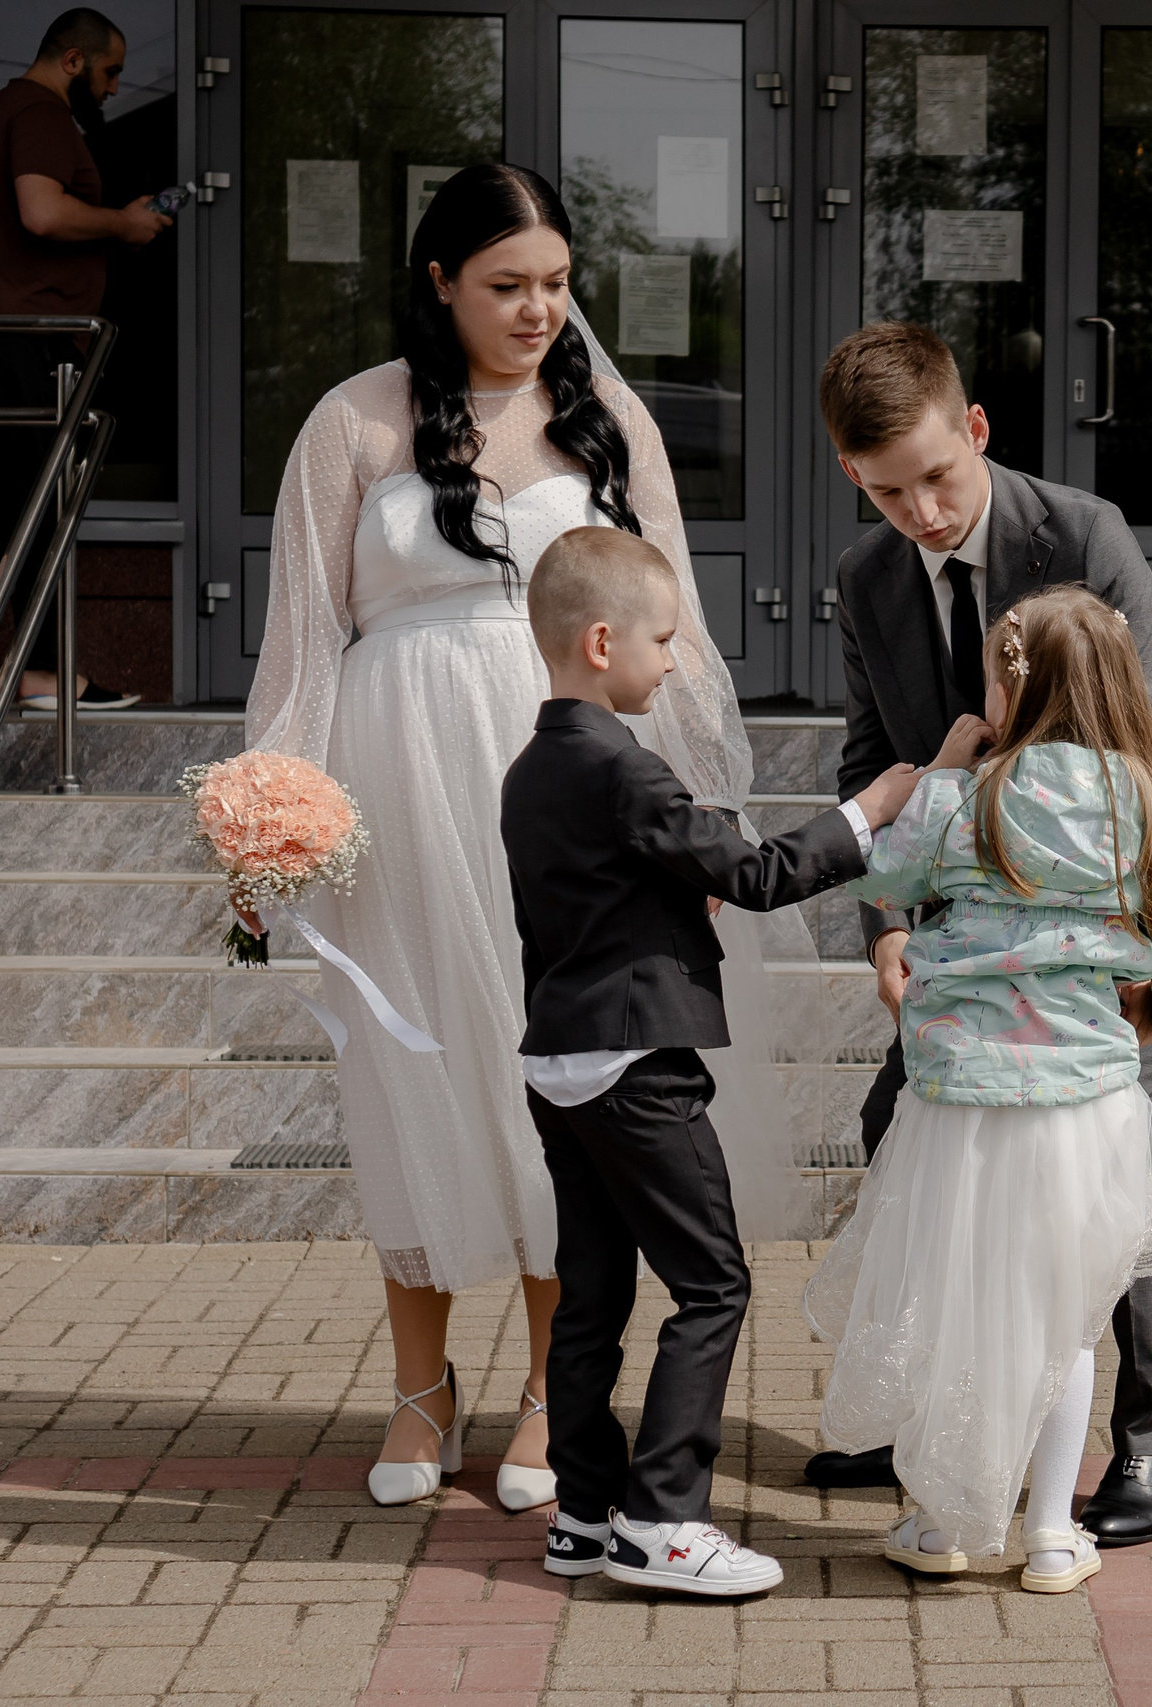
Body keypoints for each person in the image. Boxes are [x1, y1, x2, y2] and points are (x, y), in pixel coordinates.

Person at [244, 164, 795, 1513]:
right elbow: (303, 637)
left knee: (559, 1080)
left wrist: (693, 823)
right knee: (411, 1075)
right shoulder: (353, 421)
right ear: (440, 282)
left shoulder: (611, 421)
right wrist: (267, 818)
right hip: (398, 791)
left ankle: (555, 1392)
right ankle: (419, 1388)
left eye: (555, 282)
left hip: (573, 797)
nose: (539, 309)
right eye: (507, 285)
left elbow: (675, 636)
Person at [803, 321, 1152, 1547]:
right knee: (898, 1127)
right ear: (851, 474)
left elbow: (1151, 739)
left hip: (1119, 918)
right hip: (971, 937)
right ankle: (931, 1426)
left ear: (975, 428)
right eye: (885, 491)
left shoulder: (1083, 534)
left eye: (935, 476)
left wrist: (1135, 964)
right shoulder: (864, 576)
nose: (919, 512)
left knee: (1130, 1156)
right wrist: (885, 928)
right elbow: (872, 760)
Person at [503, 527, 917, 1595]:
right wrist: (868, 812)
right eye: (664, 640)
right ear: (602, 642)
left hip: (558, 1060)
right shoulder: (623, 768)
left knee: (591, 1295)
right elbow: (758, 875)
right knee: (713, 1284)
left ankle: (582, 1512)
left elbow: (582, 906)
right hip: (639, 1066)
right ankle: (661, 1521)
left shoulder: (530, 770)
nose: (674, 660)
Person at [804, 585, 1152, 1592]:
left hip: (958, 1104)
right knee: (1064, 1320)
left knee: (950, 1302)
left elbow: (881, 878)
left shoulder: (965, 800)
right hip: (1085, 1109)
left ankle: (940, 1523)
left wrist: (943, 767)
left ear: (1013, 690)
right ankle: (1048, 1531)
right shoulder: (1149, 808)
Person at [0, 6, 169, 710]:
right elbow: (43, 211)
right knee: (37, 501)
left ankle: (9, 657)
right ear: (74, 61)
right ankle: (38, 669)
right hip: (27, 335)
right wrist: (123, 224)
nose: (115, 88)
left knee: (25, 499)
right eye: (110, 72)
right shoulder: (38, 112)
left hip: (9, 332)